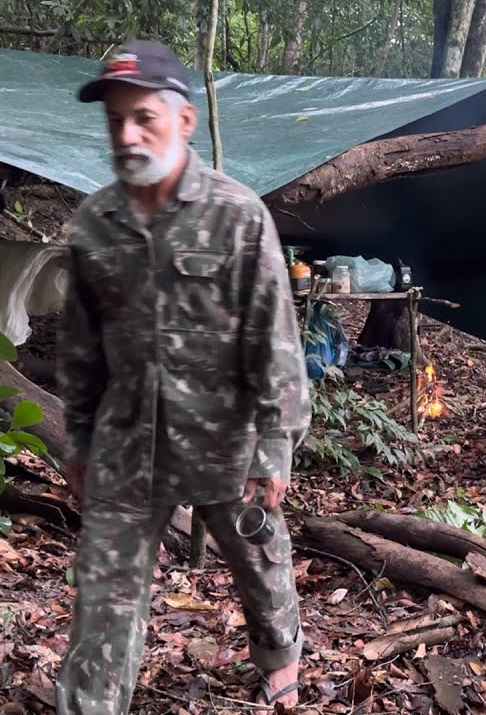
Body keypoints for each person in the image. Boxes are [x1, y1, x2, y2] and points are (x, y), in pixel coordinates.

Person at [54, 39, 311, 713]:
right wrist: (76, 442)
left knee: (260, 562)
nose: (128, 135)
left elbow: (275, 342)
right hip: (125, 443)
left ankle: (281, 658)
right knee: (104, 600)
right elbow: (79, 352)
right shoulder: (93, 224)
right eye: (115, 122)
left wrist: (274, 443)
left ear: (184, 121)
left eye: (143, 118)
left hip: (224, 437)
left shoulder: (236, 215)